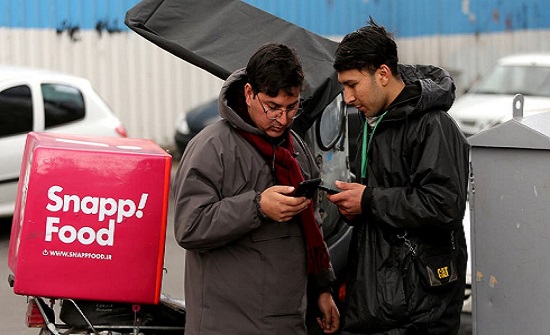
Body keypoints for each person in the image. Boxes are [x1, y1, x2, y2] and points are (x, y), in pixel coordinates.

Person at [173, 43, 340, 335]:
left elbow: (311, 226)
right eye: (272, 107)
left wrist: (322, 289)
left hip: (287, 320)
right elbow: (189, 226)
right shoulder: (212, 148)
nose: (283, 118)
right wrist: (257, 206)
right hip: (226, 324)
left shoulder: (296, 148)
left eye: (292, 108)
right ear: (249, 93)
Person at [327, 18, 470, 334]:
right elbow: (385, 196)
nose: (348, 98)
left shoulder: (434, 126)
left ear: (382, 74)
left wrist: (368, 199)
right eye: (343, 87)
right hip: (381, 303)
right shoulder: (374, 120)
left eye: (352, 84)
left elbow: (444, 204)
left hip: (420, 309)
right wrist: (354, 200)